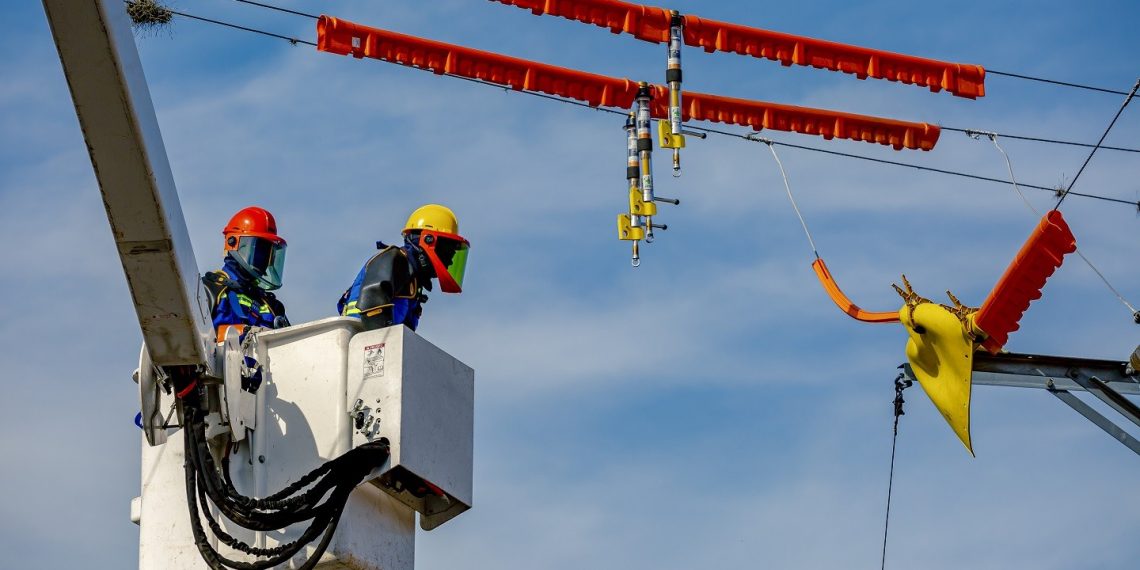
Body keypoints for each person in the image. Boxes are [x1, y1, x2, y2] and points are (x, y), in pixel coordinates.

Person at [338, 204, 470, 331]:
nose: (450, 263)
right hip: (359, 342)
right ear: (428, 241)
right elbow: (373, 309)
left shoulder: (412, 279)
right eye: (448, 253)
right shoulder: (395, 260)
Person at [202, 206, 290, 342]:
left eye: (268, 252)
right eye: (259, 249)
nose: (264, 259)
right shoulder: (210, 290)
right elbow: (192, 339)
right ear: (234, 243)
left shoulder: (272, 307)